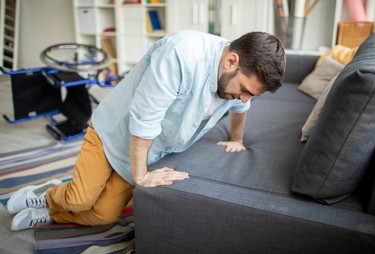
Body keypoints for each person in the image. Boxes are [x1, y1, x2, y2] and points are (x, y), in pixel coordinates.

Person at [7, 30, 285, 231]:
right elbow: (145, 118)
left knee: (103, 216)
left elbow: (240, 108)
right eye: (246, 91)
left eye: (254, 96)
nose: (245, 99)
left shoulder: (236, 86)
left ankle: (52, 213)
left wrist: (237, 139)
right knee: (80, 199)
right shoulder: (181, 53)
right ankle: (48, 193)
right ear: (231, 61)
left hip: (148, 151)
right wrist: (141, 175)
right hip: (113, 134)